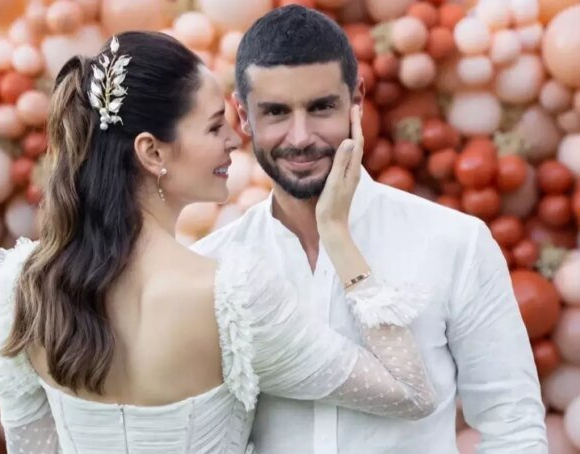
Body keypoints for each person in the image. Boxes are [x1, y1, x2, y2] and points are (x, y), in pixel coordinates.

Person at [0, 31, 439, 454]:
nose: (234, 140)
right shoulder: (231, 299)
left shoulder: (22, 291)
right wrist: (336, 232)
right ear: (152, 152)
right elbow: (410, 391)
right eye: (215, 126)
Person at [191, 5, 547, 454]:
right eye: (276, 112)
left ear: (356, 100)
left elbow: (512, 427)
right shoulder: (211, 265)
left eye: (321, 107)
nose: (300, 137)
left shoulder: (456, 242)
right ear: (243, 116)